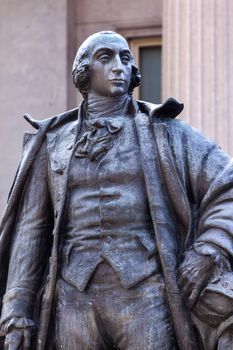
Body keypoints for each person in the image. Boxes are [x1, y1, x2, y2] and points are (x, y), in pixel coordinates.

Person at [0, 31, 233, 350]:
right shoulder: (53, 142)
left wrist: (210, 247)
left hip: (147, 296)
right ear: (84, 72)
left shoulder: (166, 133)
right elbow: (31, 230)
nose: (119, 66)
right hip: (72, 298)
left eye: (126, 58)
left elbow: (227, 185)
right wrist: (16, 311)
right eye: (106, 57)